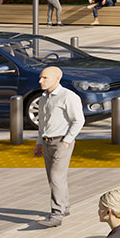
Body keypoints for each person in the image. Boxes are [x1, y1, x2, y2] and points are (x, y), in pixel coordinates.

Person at [33, 66, 84, 227]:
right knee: (54, 177)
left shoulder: (68, 97)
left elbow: (78, 120)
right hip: (47, 141)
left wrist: (66, 141)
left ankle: (56, 214)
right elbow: (42, 123)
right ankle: (64, 206)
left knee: (56, 177)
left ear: (57, 79)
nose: (40, 81)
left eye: (45, 78)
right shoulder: (43, 98)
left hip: (61, 141)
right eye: (40, 77)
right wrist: (39, 142)